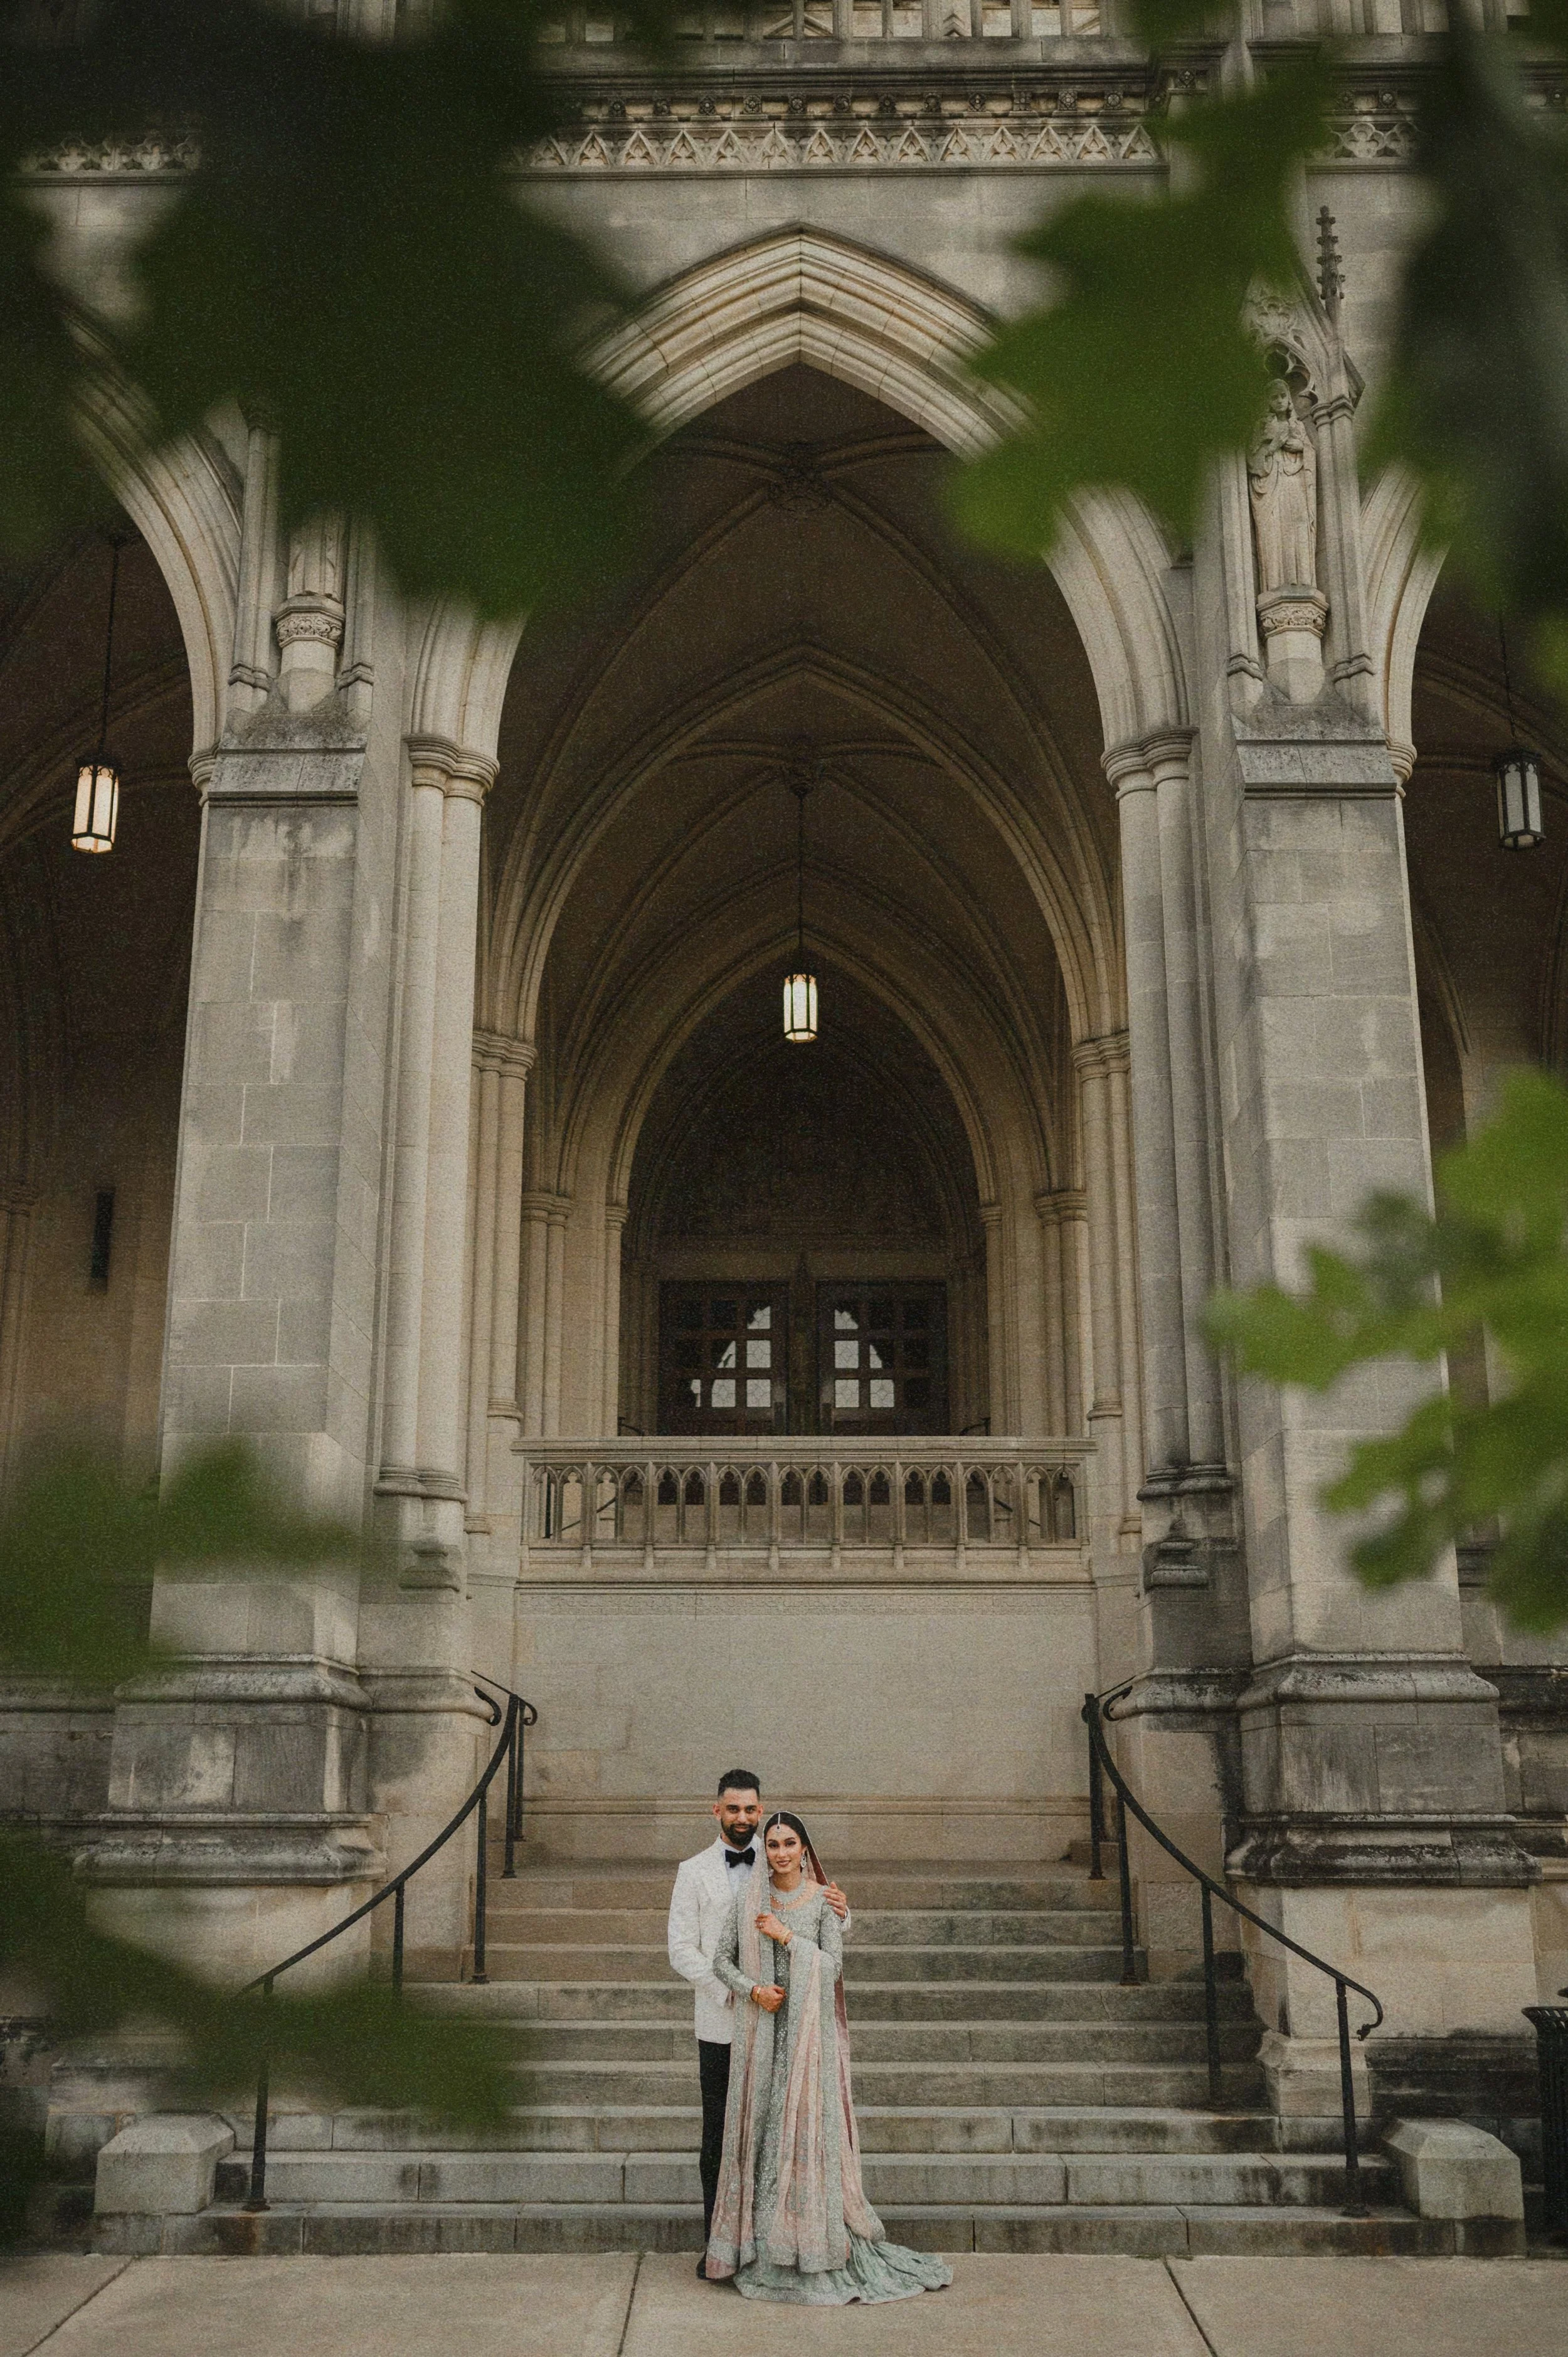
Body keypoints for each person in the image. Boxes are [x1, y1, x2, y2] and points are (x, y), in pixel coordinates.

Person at [705, 1809, 953, 2305]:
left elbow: (834, 1966)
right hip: (762, 2037)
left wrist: (785, 1937)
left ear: (804, 1848)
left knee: (804, 2134)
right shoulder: (748, 1900)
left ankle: (811, 2248)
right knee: (765, 2134)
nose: (780, 1853)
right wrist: (753, 1989)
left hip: (807, 2038)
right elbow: (720, 1961)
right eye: (772, 1844)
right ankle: (763, 2251)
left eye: (789, 1843)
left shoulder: (823, 1902)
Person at [667, 1768, 850, 2279]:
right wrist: (740, 1993)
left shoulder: (778, 1853)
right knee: (722, 2138)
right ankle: (720, 2246)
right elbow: (682, 1949)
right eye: (734, 1809)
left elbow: (818, 1914)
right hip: (725, 2023)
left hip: (787, 2026)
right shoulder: (694, 1871)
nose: (743, 1818)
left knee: (773, 2137)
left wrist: (843, 1907)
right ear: (717, 1810)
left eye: (751, 1809)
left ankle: (772, 2243)